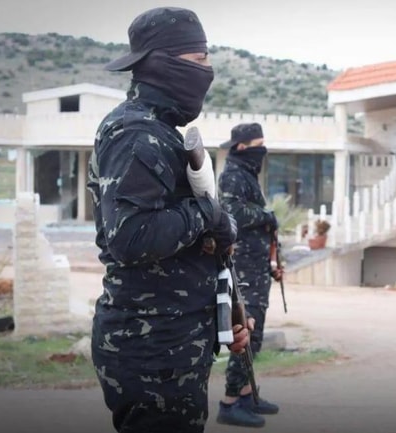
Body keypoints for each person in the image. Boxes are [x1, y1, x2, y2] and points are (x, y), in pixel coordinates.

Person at [87, 7, 251, 432]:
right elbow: (131, 237)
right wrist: (207, 212)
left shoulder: (161, 132)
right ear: (161, 63)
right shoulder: (135, 134)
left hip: (171, 341)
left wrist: (226, 315)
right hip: (152, 348)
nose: (207, 71)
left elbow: (186, 246)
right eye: (199, 60)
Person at [216, 123, 284, 428]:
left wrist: (274, 260)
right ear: (242, 148)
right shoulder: (232, 175)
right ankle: (230, 403)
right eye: (259, 145)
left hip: (256, 267)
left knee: (254, 334)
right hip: (243, 269)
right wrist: (267, 216)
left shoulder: (246, 174)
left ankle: (246, 395)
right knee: (246, 332)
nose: (263, 150)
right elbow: (234, 213)